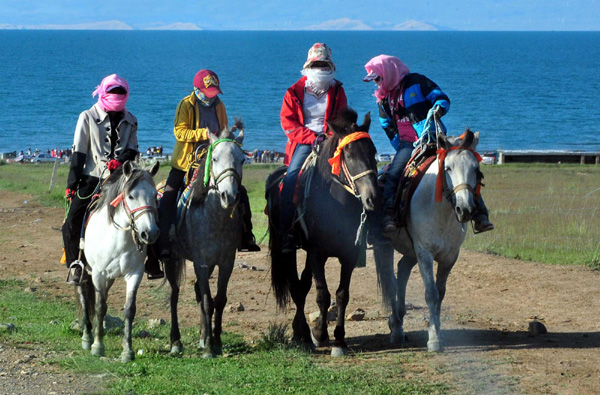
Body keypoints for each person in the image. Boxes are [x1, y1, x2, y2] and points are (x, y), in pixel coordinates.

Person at [363, 55, 494, 234]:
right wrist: (400, 147)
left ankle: (480, 215)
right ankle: (390, 215)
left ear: (389, 71)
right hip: (407, 145)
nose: (377, 83)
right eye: (375, 80)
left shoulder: (416, 82)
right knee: (393, 174)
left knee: (463, 168)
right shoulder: (383, 99)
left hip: (435, 137)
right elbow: (387, 127)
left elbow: (441, 98)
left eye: (378, 78)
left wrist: (438, 109)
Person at [146, 69, 260, 270]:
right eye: (208, 92)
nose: (212, 96)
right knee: (168, 198)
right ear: (197, 90)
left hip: (213, 158)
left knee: (239, 191)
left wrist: (229, 138)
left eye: (214, 92)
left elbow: (223, 133)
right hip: (186, 161)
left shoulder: (219, 105)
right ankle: (160, 249)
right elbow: (179, 132)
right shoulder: (186, 105)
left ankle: (246, 235)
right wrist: (205, 133)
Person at [62, 74, 162, 285]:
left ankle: (153, 260)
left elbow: (132, 150)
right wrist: (72, 186)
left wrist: (120, 162)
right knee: (71, 222)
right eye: (113, 93)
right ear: (103, 93)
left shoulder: (131, 120)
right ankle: (75, 265)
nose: (117, 98)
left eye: (120, 94)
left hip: (122, 177)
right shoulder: (87, 117)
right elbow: (79, 153)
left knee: (149, 209)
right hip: (93, 178)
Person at [279, 43, 348, 252]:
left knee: (356, 174)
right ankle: (287, 231)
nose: (321, 68)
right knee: (291, 180)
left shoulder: (337, 90)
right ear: (308, 66)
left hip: (331, 140)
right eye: (317, 64)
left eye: (324, 64)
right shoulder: (293, 92)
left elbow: (342, 119)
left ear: (331, 66)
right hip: (303, 142)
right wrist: (312, 138)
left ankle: (359, 228)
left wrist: (329, 137)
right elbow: (288, 123)